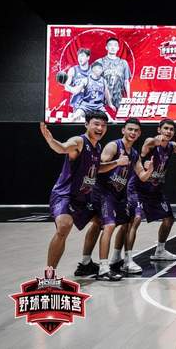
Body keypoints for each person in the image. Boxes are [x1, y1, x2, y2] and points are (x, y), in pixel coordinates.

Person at [78, 118, 152, 280]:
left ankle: (86, 263)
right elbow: (98, 167)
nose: (133, 132)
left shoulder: (134, 154)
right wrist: (117, 162)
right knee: (109, 225)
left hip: (119, 195)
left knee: (116, 222)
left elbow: (142, 176)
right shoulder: (113, 146)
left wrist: (150, 169)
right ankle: (104, 269)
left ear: (139, 133)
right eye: (130, 129)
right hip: (103, 192)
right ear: (123, 130)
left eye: (136, 130)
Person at [40, 111, 108, 270]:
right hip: (65, 194)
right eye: (96, 124)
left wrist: (117, 163)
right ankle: (50, 275)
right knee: (64, 226)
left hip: (82, 197)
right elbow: (63, 148)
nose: (100, 128)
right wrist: (51, 141)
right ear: (86, 124)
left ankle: (85, 263)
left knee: (101, 221)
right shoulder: (79, 141)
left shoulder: (98, 147)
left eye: (103, 125)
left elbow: (97, 168)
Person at [128, 118, 176, 262]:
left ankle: (160, 251)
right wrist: (157, 140)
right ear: (159, 129)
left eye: (171, 129)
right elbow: (149, 143)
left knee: (169, 219)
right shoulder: (151, 142)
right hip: (138, 188)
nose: (168, 131)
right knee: (136, 219)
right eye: (166, 128)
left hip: (156, 190)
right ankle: (127, 259)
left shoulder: (172, 146)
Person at [94, 37, 131, 109]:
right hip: (102, 99)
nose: (113, 47)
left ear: (118, 48)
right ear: (106, 47)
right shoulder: (99, 62)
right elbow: (93, 81)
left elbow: (126, 82)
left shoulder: (123, 63)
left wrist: (128, 98)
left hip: (118, 98)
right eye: (110, 45)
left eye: (115, 45)